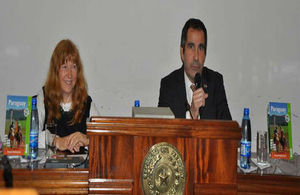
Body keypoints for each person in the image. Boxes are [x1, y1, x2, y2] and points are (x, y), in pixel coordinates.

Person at [158, 18, 231, 120]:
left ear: (205, 54)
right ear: (182, 52)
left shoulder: (215, 82)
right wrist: (191, 115)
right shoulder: (169, 86)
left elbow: (227, 131)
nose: (196, 57)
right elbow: (164, 133)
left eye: (200, 48)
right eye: (191, 47)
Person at [37, 39, 99, 153]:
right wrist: (55, 140)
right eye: (64, 67)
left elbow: (103, 141)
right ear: (56, 71)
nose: (69, 74)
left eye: (73, 67)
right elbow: (28, 138)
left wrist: (87, 140)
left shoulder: (87, 103)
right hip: (49, 170)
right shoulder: (42, 98)